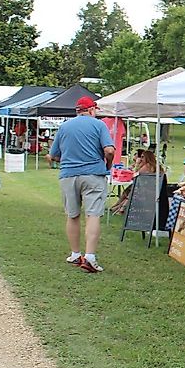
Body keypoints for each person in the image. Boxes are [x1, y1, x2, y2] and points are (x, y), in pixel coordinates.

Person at [46, 97, 115, 273]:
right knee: (93, 215)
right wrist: (107, 165)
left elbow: (53, 155)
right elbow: (109, 150)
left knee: (72, 215)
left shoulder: (64, 127)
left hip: (68, 175)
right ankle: (90, 256)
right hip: (93, 175)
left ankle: (75, 253)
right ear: (91, 110)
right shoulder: (99, 125)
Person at [110, 150, 158, 215]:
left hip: (147, 189)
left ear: (147, 157)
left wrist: (137, 164)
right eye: (140, 157)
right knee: (127, 191)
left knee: (131, 191)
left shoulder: (147, 166)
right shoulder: (151, 165)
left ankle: (120, 208)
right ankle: (117, 206)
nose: (141, 159)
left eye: (142, 157)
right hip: (146, 187)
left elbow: (134, 175)